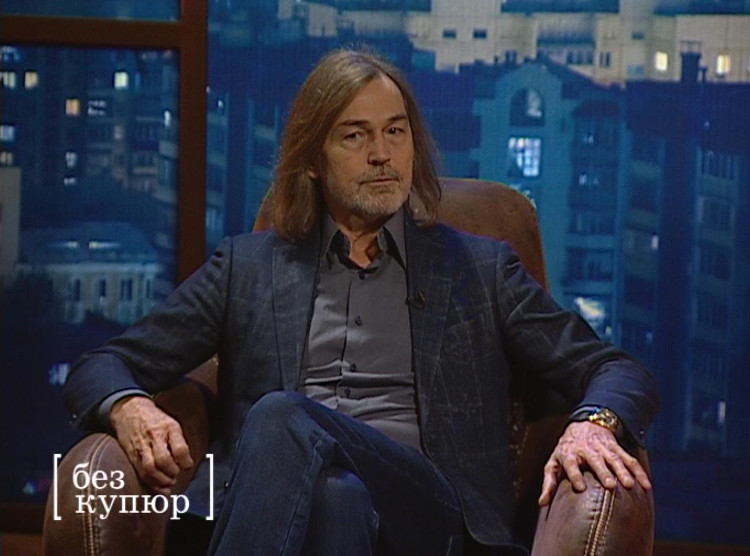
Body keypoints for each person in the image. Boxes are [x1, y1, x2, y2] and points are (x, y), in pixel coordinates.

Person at [64, 48, 659, 555]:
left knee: (281, 415)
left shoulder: (481, 271)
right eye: (356, 136)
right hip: (297, 514)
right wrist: (127, 406)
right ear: (312, 160)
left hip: (428, 516)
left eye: (395, 132)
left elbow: (616, 369)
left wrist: (594, 423)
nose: (383, 154)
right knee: (336, 497)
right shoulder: (248, 268)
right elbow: (102, 365)